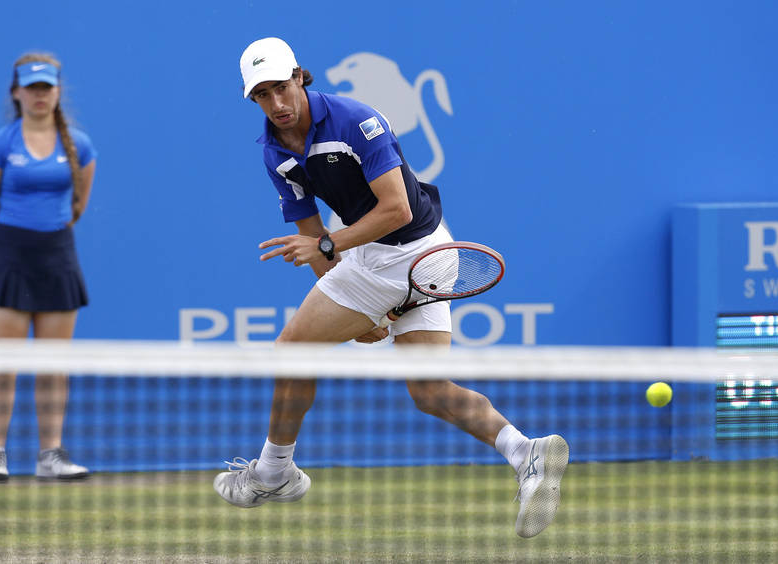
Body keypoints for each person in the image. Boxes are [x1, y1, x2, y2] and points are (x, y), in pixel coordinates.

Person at [213, 37, 568, 538]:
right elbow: (314, 238)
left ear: (299, 76)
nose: (276, 104)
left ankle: (274, 473)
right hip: (404, 258)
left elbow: (395, 210)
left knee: (290, 351)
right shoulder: (275, 153)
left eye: (280, 88)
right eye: (262, 96)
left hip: (408, 251)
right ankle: (525, 451)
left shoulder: (357, 121)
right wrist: (349, 300)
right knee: (429, 391)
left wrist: (332, 252)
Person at [0, 52, 96, 482]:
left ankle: (51, 457)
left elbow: (77, 205)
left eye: (46, 87)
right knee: (3, 364)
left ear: (58, 92)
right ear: (17, 92)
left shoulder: (78, 145)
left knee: (52, 364)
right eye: (32, 88)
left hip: (57, 259)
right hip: (9, 256)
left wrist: (47, 234)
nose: (39, 95)